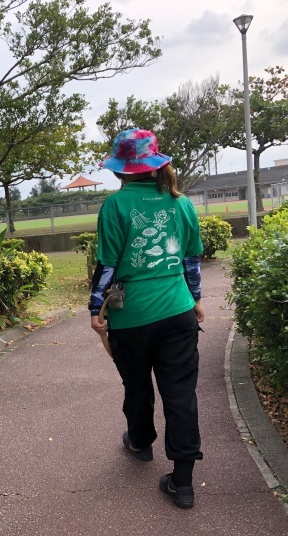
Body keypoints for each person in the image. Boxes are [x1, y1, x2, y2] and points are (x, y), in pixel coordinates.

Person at [88, 128, 205, 509]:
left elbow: (106, 264)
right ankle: (183, 482)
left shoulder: (116, 205)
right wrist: (197, 299)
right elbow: (191, 259)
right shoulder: (181, 202)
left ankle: (140, 443)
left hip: (131, 318)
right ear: (154, 164)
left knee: (137, 385)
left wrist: (95, 309)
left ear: (121, 169)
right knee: (181, 394)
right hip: (178, 312)